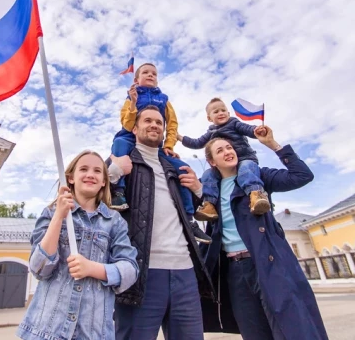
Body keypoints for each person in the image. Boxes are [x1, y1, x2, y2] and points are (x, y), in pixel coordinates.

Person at [199, 129, 329, 340]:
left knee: (291, 329)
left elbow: (302, 176)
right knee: (254, 333)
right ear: (212, 161)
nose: (227, 152)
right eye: (220, 150)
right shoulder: (209, 191)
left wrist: (274, 145)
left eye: (230, 148)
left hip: (266, 264)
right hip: (234, 272)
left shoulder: (257, 176)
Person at [108, 105, 215, 340]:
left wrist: (198, 189)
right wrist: (114, 170)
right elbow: (93, 196)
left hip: (185, 272)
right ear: (134, 128)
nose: (154, 125)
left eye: (159, 122)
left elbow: (200, 211)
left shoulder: (174, 167)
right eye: (147, 121)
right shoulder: (121, 160)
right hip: (139, 273)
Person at [17, 150, 139, 340]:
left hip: (94, 333)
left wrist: (92, 268)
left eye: (98, 171)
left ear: (104, 181)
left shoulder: (115, 221)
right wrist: (59, 216)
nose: (90, 174)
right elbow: (39, 269)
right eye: (84, 169)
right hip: (47, 331)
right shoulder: (50, 213)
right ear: (70, 178)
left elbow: (130, 270)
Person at [110, 62, 212, 243]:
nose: (150, 75)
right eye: (146, 73)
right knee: (118, 146)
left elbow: (171, 124)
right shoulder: (131, 97)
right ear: (136, 79)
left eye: (154, 74)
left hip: (156, 144)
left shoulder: (164, 100)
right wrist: (133, 102)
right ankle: (118, 192)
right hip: (129, 137)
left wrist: (169, 145)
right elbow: (126, 124)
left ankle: (189, 218)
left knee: (183, 168)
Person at [178, 97, 271, 219]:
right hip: (223, 167)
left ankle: (256, 195)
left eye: (223, 110)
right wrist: (180, 137)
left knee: (246, 169)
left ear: (228, 113)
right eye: (216, 112)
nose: (220, 113)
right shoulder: (211, 132)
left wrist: (257, 130)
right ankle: (209, 205)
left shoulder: (234, 123)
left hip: (244, 159)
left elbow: (247, 129)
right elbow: (197, 143)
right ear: (209, 118)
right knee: (207, 175)